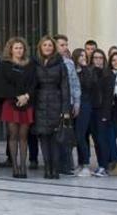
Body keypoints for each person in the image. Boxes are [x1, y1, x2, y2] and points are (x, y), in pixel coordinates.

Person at [0, 37, 37, 178]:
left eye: (21, 48)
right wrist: (17, 97)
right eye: (16, 48)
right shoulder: (4, 64)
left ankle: (23, 167)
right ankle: (15, 166)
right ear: (11, 49)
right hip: (11, 102)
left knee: (23, 136)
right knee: (13, 135)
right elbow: (2, 85)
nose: (19, 50)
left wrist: (26, 96)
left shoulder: (30, 64)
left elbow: (34, 83)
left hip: (27, 102)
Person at [33, 35, 70, 180]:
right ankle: (47, 168)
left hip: (56, 101)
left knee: (55, 139)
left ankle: (55, 169)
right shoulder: (35, 63)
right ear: (40, 47)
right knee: (43, 137)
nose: (47, 47)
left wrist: (65, 110)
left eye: (50, 45)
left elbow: (65, 87)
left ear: (53, 48)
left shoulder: (61, 64)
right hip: (40, 103)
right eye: (45, 45)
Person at [54, 35, 80, 176]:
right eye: (62, 45)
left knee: (66, 133)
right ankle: (56, 164)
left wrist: (76, 102)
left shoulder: (69, 63)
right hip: (53, 103)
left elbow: (75, 83)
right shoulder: (48, 62)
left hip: (67, 103)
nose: (65, 47)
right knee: (55, 135)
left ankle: (67, 164)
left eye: (66, 45)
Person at [71, 48, 98, 177]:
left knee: (81, 134)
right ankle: (80, 163)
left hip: (85, 105)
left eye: (84, 55)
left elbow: (90, 85)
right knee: (77, 135)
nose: (83, 57)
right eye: (80, 55)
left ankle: (86, 164)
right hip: (73, 105)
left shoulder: (88, 71)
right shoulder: (71, 70)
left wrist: (85, 68)